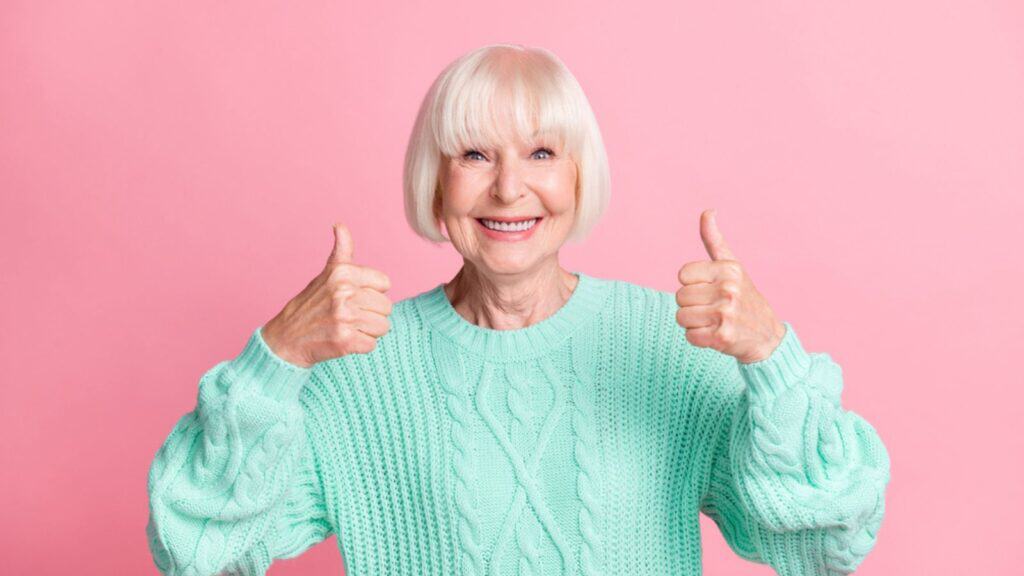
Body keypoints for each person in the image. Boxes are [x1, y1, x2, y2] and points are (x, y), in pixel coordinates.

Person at [145, 43, 890, 576]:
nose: (507, 190)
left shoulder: (669, 347)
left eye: (540, 153)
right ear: (435, 183)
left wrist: (773, 358)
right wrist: (274, 362)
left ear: (580, 177)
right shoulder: (354, 375)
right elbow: (198, 554)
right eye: (474, 155)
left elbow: (823, 544)